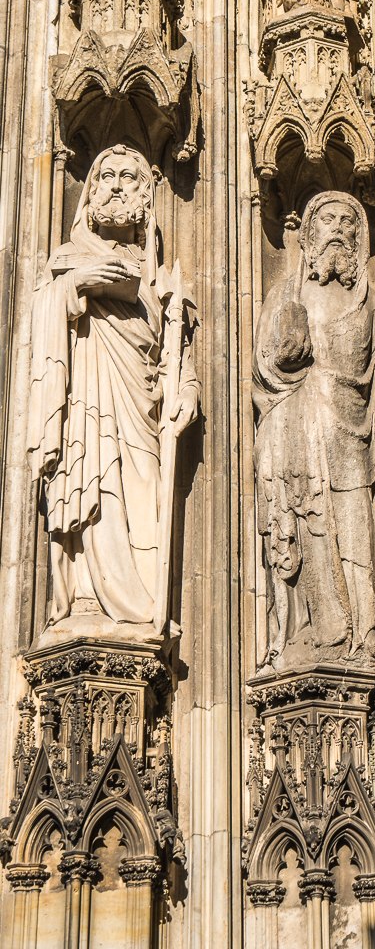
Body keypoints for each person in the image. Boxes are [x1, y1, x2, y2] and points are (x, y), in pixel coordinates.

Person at [27, 145, 199, 628]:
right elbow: (38, 327)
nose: (117, 186)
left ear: (145, 197)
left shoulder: (158, 276)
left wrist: (187, 390)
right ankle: (88, 598)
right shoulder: (68, 259)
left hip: (140, 408)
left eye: (129, 178)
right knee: (93, 483)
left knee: (144, 494)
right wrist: (77, 282)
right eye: (107, 177)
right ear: (91, 191)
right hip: (87, 396)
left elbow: (175, 351)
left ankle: (142, 608)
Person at [253, 192, 375, 667]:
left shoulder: (370, 303)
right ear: (309, 235)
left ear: (359, 237)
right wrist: (285, 356)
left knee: (354, 525)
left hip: (351, 433)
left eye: (348, 222)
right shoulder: (286, 296)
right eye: (327, 220)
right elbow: (263, 370)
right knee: (309, 529)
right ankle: (315, 631)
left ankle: (363, 628)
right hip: (298, 430)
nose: (338, 229)